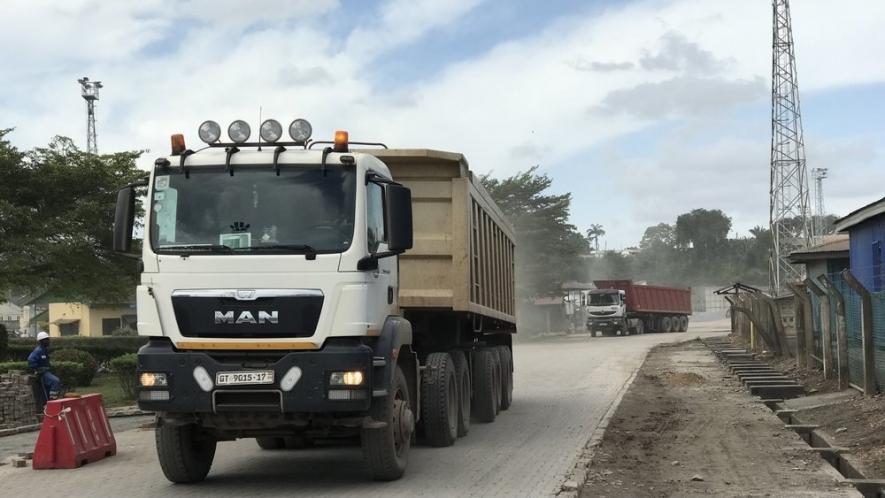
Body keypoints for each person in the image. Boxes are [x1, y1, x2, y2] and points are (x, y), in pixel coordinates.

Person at [28, 331, 61, 400]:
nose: (49, 341)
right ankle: (53, 400)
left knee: (47, 390)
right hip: (42, 373)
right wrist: (36, 369)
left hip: (46, 372)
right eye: (47, 339)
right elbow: (31, 360)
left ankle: (48, 403)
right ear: (42, 341)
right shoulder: (38, 350)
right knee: (55, 381)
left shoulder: (44, 350)